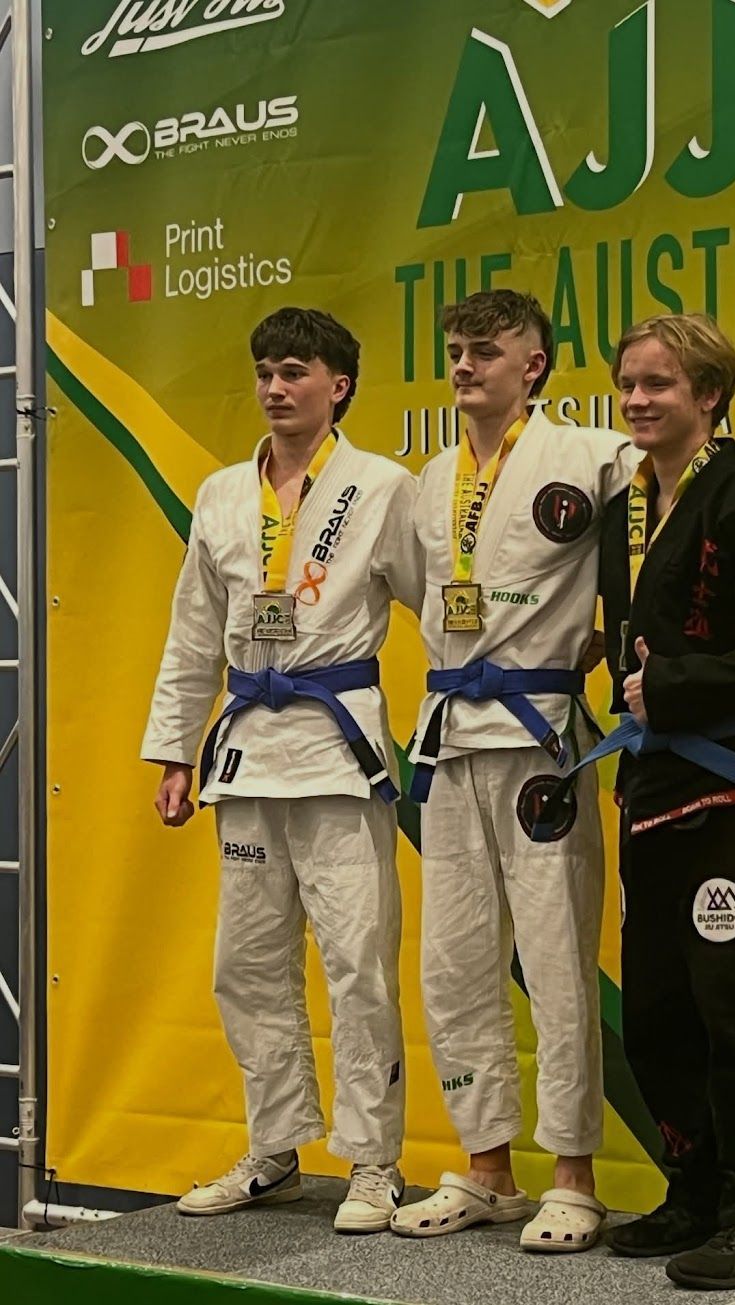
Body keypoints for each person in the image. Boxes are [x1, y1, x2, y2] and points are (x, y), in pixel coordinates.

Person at [141, 306, 423, 1233]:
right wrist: (175, 749)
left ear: (337, 384)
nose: (274, 387)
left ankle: (376, 1162)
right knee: (247, 965)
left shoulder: (383, 486)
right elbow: (192, 632)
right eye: (265, 370)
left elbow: (444, 603)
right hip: (248, 754)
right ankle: (274, 1148)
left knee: (359, 965)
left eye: (294, 370)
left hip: (338, 753)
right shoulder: (224, 493)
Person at [389, 290, 640, 1253]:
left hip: (542, 739)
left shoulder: (590, 456)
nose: (463, 366)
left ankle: (573, 1172)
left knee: (557, 956)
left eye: (485, 351)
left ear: (532, 365)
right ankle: (486, 1165)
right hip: (452, 737)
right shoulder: (429, 480)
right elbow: (425, 599)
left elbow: (679, 508)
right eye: (455, 350)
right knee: (452, 960)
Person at [595, 313, 735, 1288]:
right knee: (656, 1012)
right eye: (628, 384)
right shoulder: (622, 514)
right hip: (653, 787)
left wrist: (672, 686)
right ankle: (694, 1194)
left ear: (709, 397)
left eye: (660, 384)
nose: (640, 400)